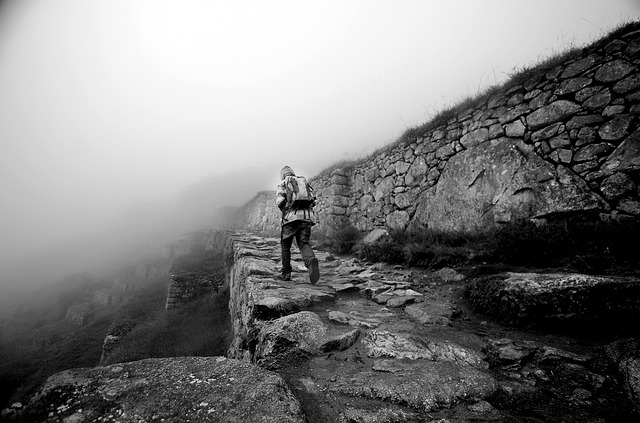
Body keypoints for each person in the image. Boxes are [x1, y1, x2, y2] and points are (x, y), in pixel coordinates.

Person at [275, 165, 320, 284]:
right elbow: (314, 200)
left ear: (282, 175)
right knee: (303, 243)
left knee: (285, 246)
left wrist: (286, 209)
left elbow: (280, 201)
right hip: (306, 218)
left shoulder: (283, 184)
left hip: (290, 219)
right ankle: (311, 262)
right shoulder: (303, 183)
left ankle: (286, 273)